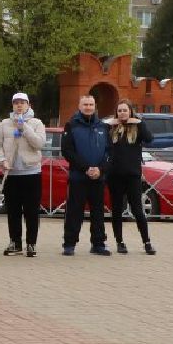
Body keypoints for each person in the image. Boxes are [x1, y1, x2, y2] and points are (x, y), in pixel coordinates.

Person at [0, 92, 47, 257]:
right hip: (12, 173)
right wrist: (2, 160)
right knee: (13, 211)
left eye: (22, 102)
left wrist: (24, 126)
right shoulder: (4, 124)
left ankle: (31, 243)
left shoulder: (36, 123)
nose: (19, 105)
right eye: (16, 102)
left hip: (31, 172)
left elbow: (39, 143)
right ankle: (15, 242)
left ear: (28, 104)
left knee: (31, 210)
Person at [60, 94, 111, 257]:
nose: (88, 107)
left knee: (98, 212)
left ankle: (98, 244)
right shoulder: (71, 126)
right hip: (78, 177)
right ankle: (69, 243)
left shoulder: (103, 126)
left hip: (98, 178)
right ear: (79, 106)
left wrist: (100, 169)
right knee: (74, 212)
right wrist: (85, 168)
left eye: (91, 104)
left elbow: (109, 152)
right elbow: (67, 151)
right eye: (85, 104)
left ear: (95, 106)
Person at [105, 100, 156, 256]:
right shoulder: (111, 128)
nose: (122, 113)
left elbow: (149, 139)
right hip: (115, 175)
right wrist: (109, 123)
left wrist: (139, 122)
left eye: (125, 110)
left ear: (130, 112)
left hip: (133, 175)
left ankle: (146, 242)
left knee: (137, 210)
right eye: (119, 111)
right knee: (117, 210)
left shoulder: (138, 127)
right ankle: (120, 242)